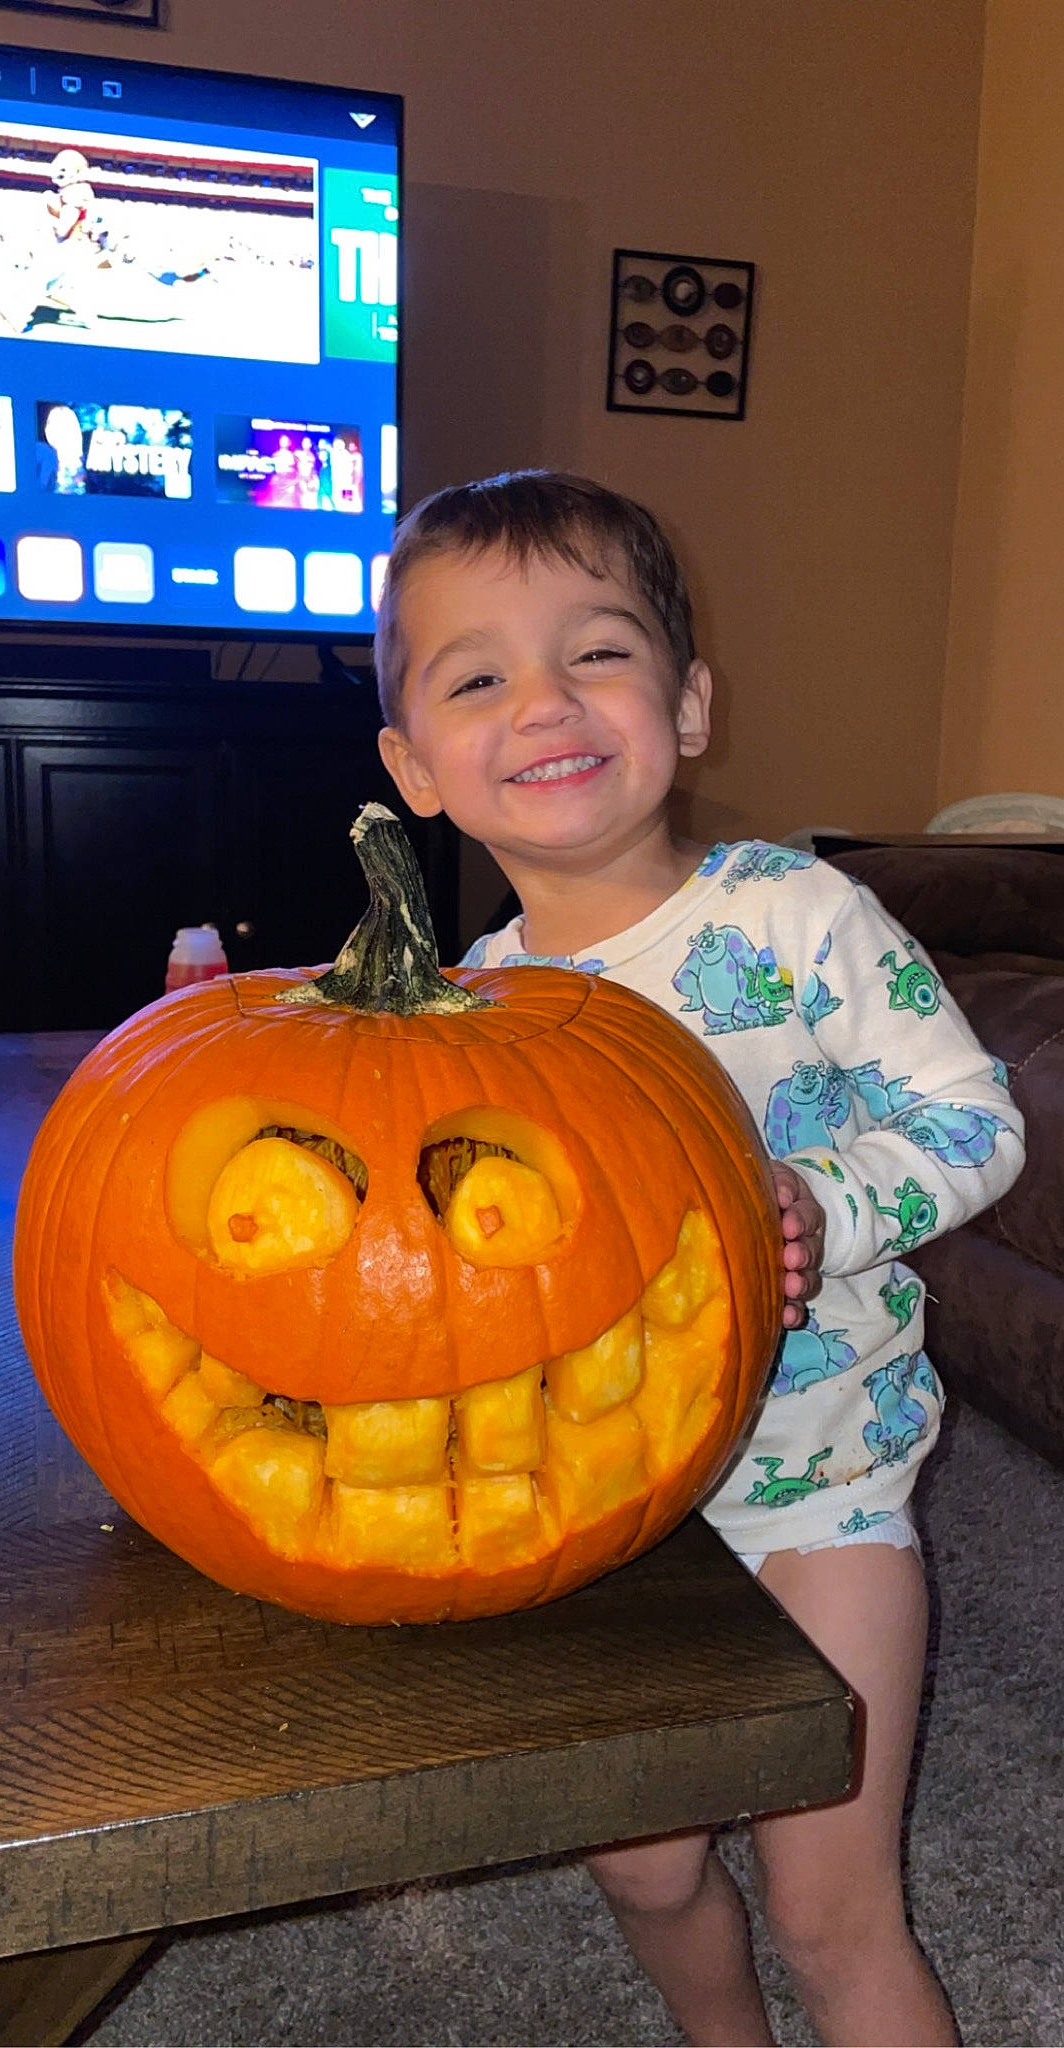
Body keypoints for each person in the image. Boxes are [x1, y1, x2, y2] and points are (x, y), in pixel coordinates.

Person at [374, 469, 1026, 2048]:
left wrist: (816, 1201)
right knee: (649, 1877)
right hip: (605, 1523)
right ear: (417, 771)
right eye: (476, 676)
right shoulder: (467, 1003)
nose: (543, 701)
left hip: (823, 1497)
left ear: (688, 699)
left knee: (830, 1909)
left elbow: (974, 1121)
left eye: (595, 652)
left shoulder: (797, 912)